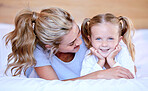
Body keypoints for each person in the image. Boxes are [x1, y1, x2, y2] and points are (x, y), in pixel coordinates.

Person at [4, 7, 134, 81]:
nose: (80, 42)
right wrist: (99, 75)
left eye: (78, 33)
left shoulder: (90, 37)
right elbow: (55, 86)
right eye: (72, 43)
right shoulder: (39, 51)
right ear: (51, 47)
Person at [80, 13, 136, 77]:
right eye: (98, 39)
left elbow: (131, 78)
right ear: (90, 39)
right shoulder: (90, 55)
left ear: (119, 40)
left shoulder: (123, 52)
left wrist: (111, 61)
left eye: (110, 38)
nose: (104, 44)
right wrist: (100, 61)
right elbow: (85, 80)